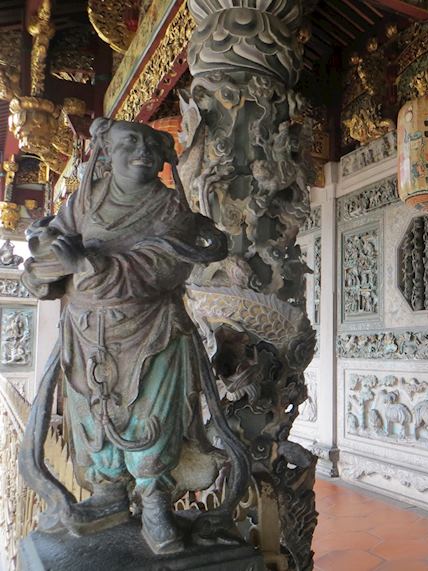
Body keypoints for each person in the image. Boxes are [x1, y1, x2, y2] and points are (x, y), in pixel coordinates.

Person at [21, 119, 245, 554]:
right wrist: (50, 254)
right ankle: (108, 493)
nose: (141, 153)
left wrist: (87, 266)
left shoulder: (170, 210)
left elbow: (164, 266)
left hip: (153, 331)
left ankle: (156, 503)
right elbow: (52, 257)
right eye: (129, 144)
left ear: (163, 157)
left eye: (150, 146)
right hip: (88, 333)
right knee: (94, 416)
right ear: (106, 152)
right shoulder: (85, 201)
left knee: (151, 417)